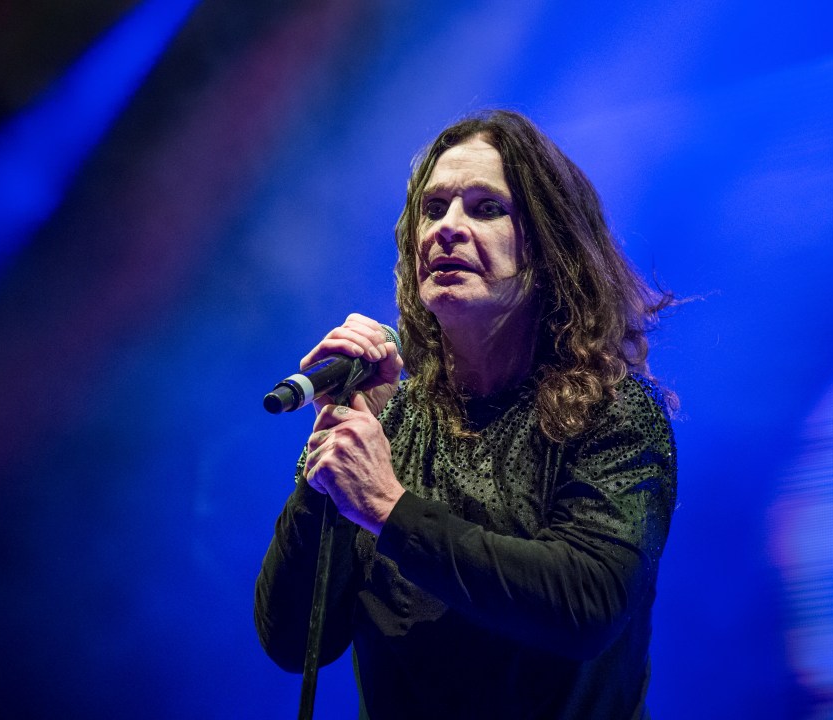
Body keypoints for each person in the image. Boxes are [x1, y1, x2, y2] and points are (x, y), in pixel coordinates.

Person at [254, 109, 677, 719]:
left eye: (485, 208)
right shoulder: (392, 419)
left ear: (548, 246)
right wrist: (333, 455)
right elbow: (292, 640)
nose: (446, 229)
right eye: (433, 208)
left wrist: (386, 508)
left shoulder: (612, 414)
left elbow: (587, 606)